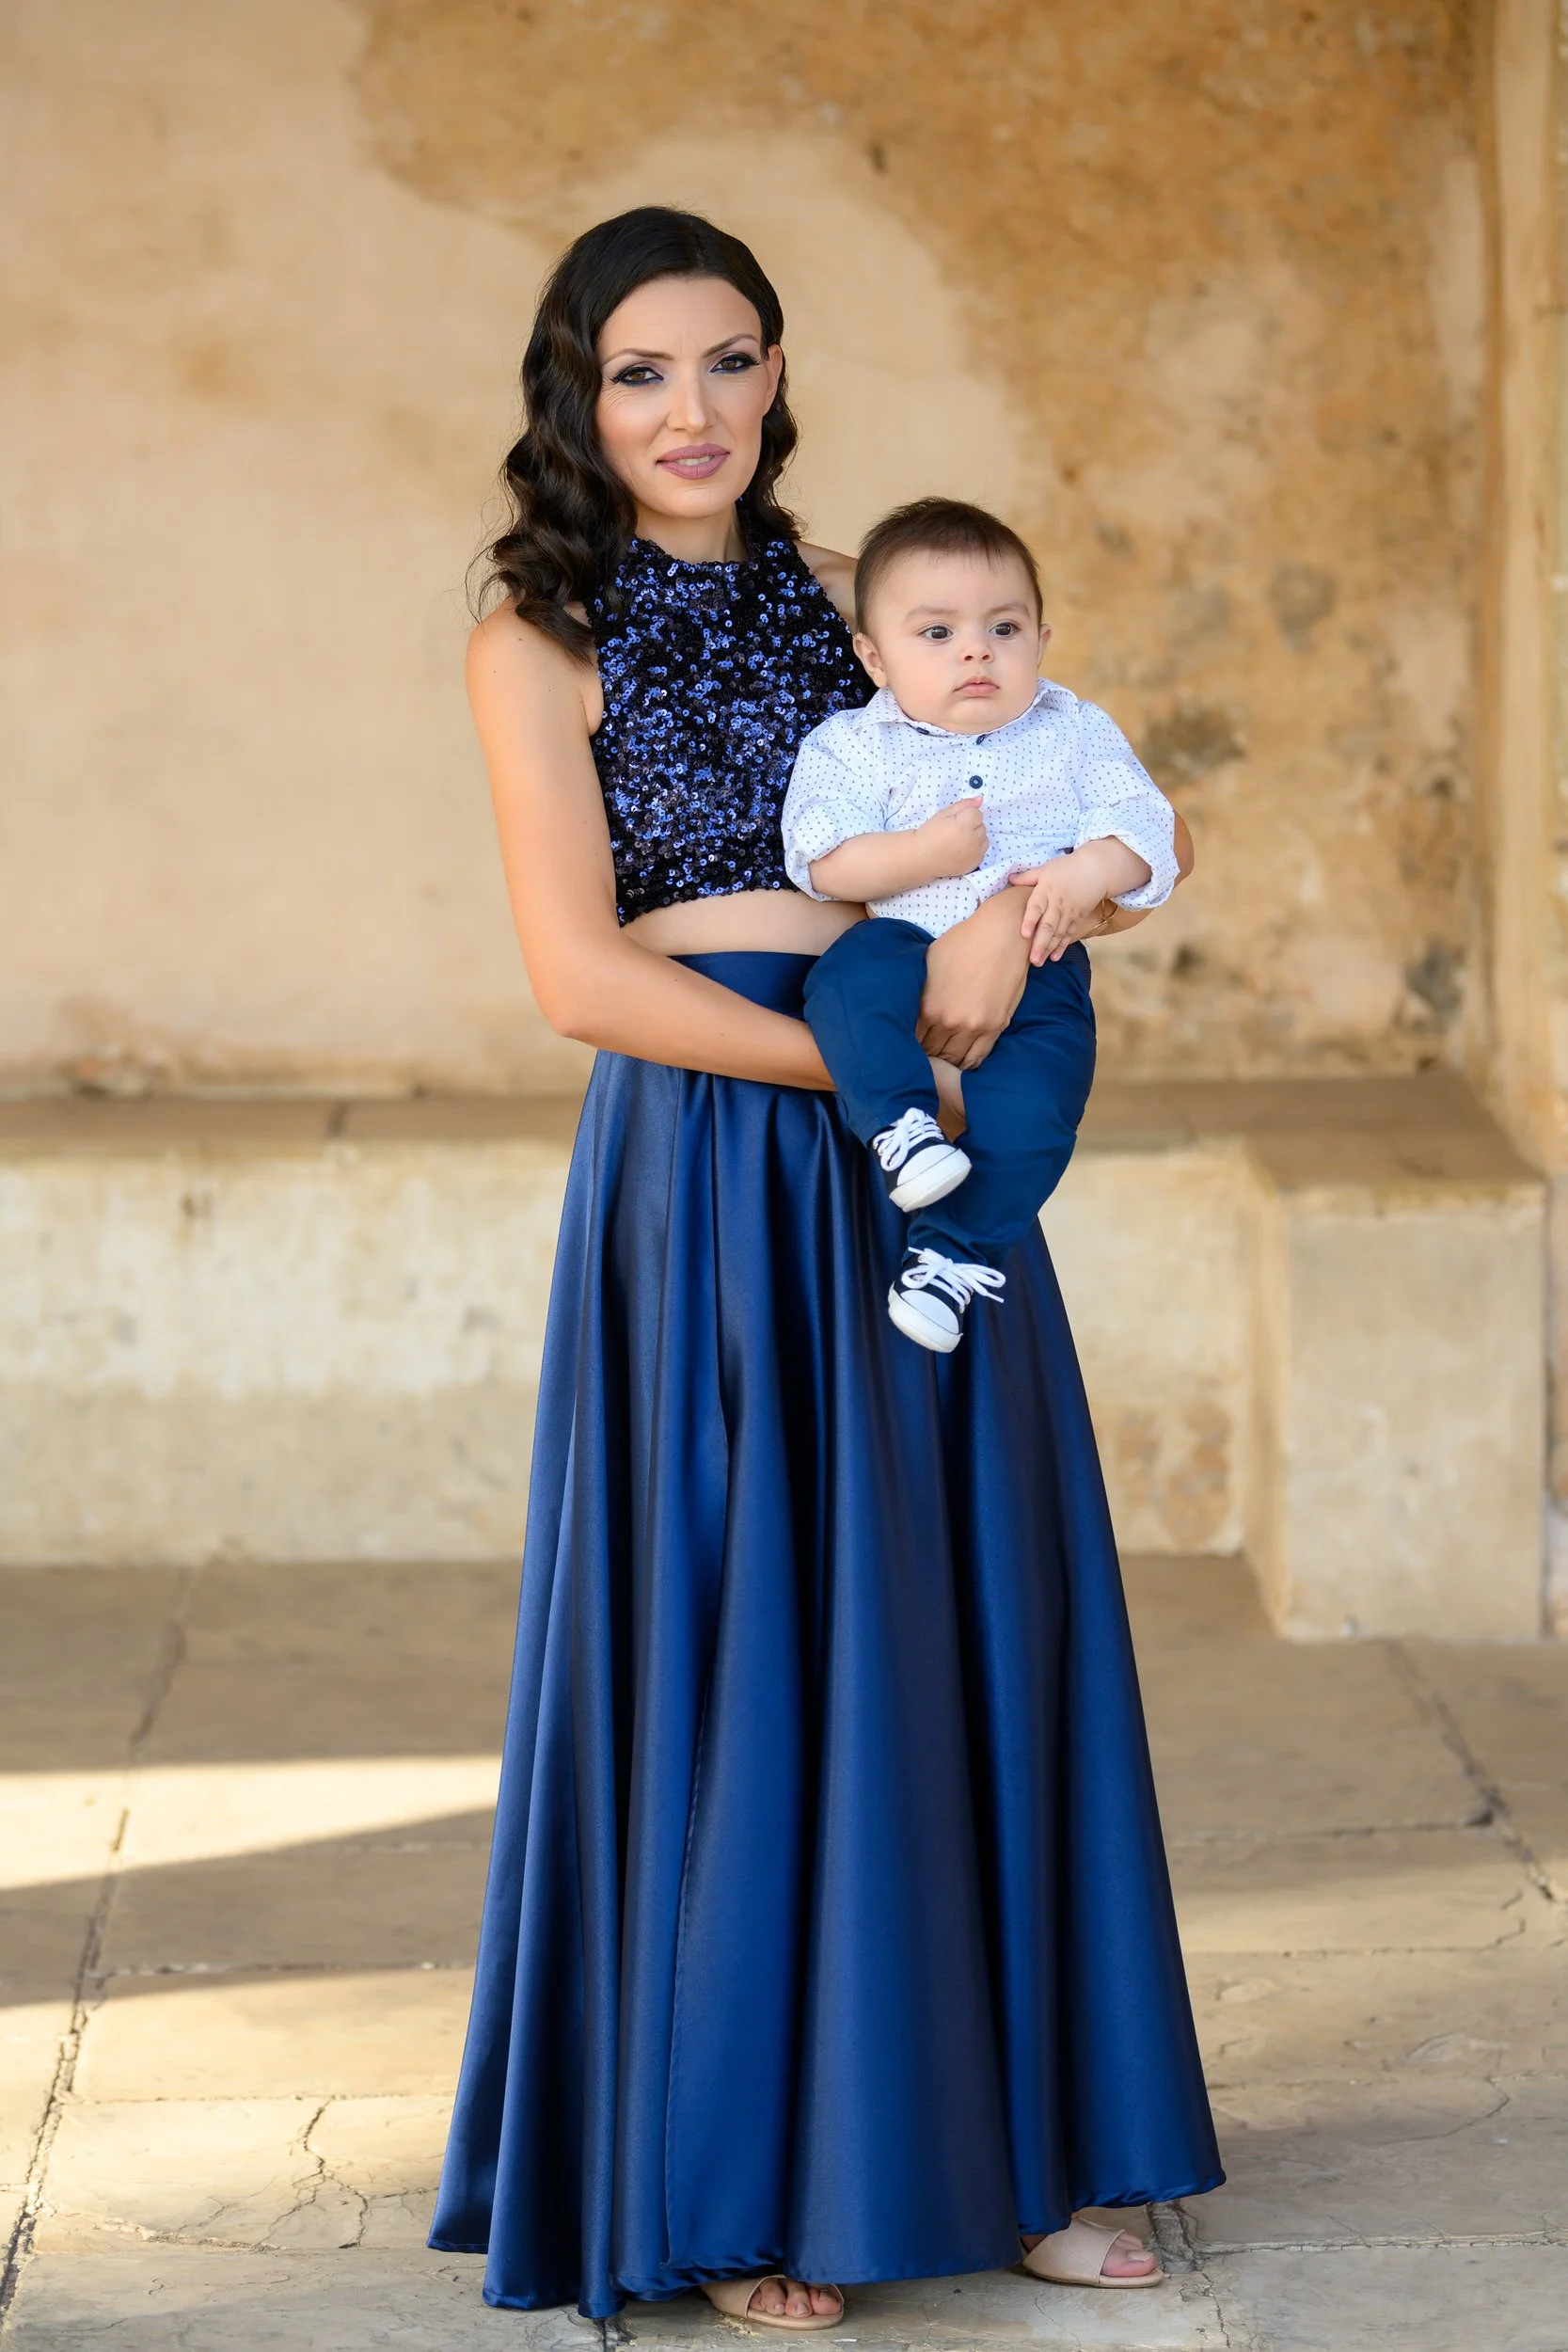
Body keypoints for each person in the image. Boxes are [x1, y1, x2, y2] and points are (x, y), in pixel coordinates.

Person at [428, 204, 1223, 2331]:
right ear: (578, 397)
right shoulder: (539, 631)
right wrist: (865, 1065)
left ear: (779, 377)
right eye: (638, 372)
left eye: (726, 363)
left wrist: (1025, 936)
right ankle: (745, 2183)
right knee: (756, 1644)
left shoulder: (862, 601)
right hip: (719, 1162)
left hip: (923, 1149)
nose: (688, 411)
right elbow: (579, 978)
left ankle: (1028, 2150)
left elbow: (1062, 804)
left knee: (977, 1627)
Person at [783, 497, 1178, 1353]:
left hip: (1040, 961)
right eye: (936, 634)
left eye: (1004, 628)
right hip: (903, 942)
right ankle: (899, 1127)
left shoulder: (1073, 731)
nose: (975, 650)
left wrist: (1091, 870)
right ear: (874, 658)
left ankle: (951, 1257)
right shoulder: (854, 744)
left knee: (1040, 1114)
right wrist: (920, 854)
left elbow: (1147, 826)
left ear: (1041, 640)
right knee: (844, 983)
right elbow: (819, 860)